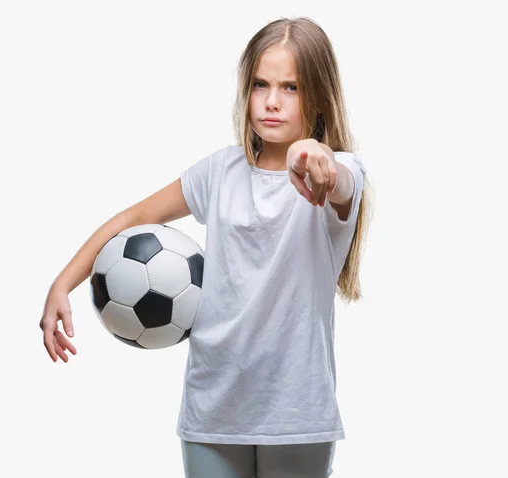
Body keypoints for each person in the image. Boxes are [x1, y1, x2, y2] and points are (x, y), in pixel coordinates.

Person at [39, 16, 373, 478]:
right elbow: (133, 219)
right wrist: (63, 283)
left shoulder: (335, 172)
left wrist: (314, 157)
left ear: (318, 94)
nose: (272, 101)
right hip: (212, 408)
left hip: (296, 415)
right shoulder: (219, 172)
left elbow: (338, 180)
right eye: (261, 84)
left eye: (291, 88)